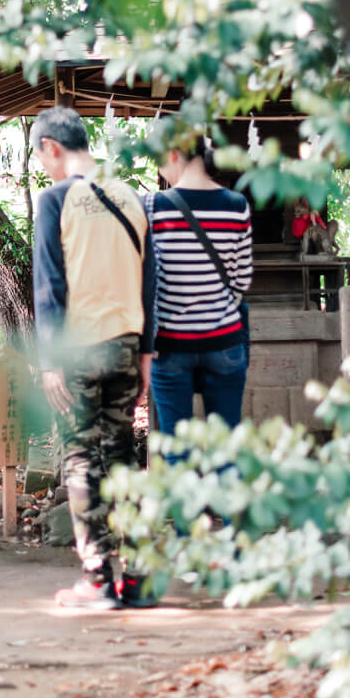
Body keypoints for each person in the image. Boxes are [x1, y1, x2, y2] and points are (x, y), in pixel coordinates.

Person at [28, 106, 154, 610]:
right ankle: (139, 579)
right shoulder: (131, 197)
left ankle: (98, 579)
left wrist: (49, 360)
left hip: (78, 348)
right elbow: (150, 279)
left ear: (51, 147)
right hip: (126, 345)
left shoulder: (55, 200)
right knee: (122, 455)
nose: (42, 167)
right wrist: (147, 354)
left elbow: (48, 285)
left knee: (81, 457)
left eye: (40, 157)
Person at [142, 134, 254, 457]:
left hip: (171, 345)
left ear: (173, 154)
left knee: (178, 452)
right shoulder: (237, 205)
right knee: (226, 449)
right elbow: (241, 281)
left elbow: (148, 279)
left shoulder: (153, 207)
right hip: (224, 341)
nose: (160, 170)